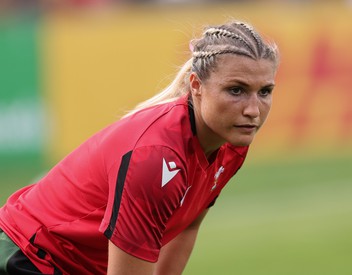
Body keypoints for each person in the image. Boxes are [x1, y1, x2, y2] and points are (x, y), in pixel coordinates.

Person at [0, 20, 280, 275]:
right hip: (28, 256)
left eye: (265, 91)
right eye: (236, 90)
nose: (253, 110)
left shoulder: (231, 142)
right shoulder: (156, 157)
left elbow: (188, 225)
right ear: (196, 86)